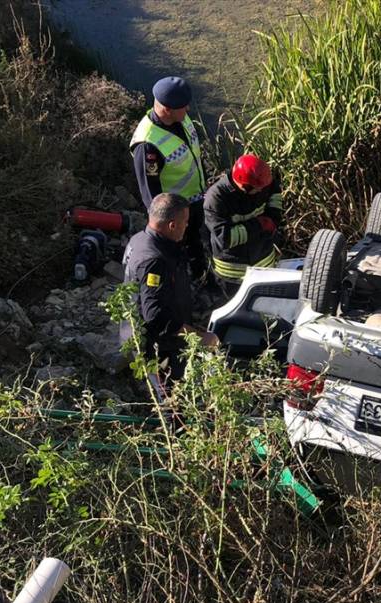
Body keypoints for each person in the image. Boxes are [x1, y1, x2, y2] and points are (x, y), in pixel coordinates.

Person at [120, 193, 218, 393]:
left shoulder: (140, 239)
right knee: (172, 405)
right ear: (172, 225)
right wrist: (199, 337)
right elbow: (156, 317)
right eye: (185, 222)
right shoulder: (154, 260)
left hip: (155, 337)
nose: (187, 226)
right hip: (157, 348)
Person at [129, 76, 208, 278]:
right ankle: (181, 286)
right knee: (176, 254)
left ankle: (201, 277)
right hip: (174, 214)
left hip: (195, 199)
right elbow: (150, 194)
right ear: (167, 109)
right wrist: (165, 228)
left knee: (196, 244)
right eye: (183, 106)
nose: (188, 109)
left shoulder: (180, 118)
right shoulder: (148, 144)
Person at [203, 153, 284, 295]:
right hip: (232, 274)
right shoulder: (216, 199)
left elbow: (275, 193)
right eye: (258, 189)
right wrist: (260, 225)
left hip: (264, 261)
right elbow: (224, 238)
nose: (262, 191)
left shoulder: (263, 181)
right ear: (245, 186)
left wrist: (273, 217)